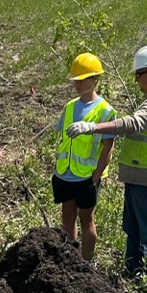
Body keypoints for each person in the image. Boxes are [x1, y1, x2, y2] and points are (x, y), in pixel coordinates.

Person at [66, 45, 147, 278]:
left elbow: (133, 124)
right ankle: (134, 273)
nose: (137, 81)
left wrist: (93, 127)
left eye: (139, 75)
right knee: (135, 230)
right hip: (141, 176)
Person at [52, 53, 115, 262]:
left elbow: (108, 146)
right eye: (76, 80)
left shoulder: (105, 111)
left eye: (83, 79)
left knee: (86, 219)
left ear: (96, 79)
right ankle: (70, 259)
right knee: (67, 217)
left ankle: (85, 263)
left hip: (86, 176)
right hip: (65, 173)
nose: (78, 84)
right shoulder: (70, 106)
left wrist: (96, 176)